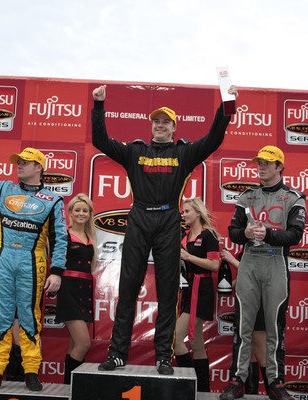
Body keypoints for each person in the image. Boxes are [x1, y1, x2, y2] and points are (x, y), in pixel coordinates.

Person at [92, 84, 239, 376]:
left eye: (165, 122)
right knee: (128, 287)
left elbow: (212, 140)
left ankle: (163, 356)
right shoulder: (135, 151)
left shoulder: (183, 153)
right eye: (156, 121)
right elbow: (101, 141)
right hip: (139, 219)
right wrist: (98, 107)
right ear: (152, 126)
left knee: (169, 292)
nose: (160, 125)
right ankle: (118, 353)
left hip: (169, 221)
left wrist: (226, 105)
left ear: (174, 127)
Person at [0, 143, 68, 392]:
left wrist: (57, 271)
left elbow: (61, 238)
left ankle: (31, 371)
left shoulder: (53, 200)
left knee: (30, 317)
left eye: (25, 162)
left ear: (39, 167)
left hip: (32, 261)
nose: (19, 165)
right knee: (0, 316)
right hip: (3, 259)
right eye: (18, 161)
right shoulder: (5, 189)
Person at [221, 145, 306, 400]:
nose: (261, 167)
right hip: (249, 262)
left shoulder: (294, 197)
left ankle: (276, 382)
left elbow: (296, 236)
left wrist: (269, 234)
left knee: (275, 327)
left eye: (267, 163)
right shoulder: (247, 196)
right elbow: (232, 231)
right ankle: (238, 380)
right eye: (259, 162)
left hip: (275, 262)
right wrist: (244, 233)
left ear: (280, 166)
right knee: (243, 325)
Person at [174, 198, 220, 392]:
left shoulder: (208, 235)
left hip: (202, 289)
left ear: (198, 213)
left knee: (175, 339)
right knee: (196, 343)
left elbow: (215, 265)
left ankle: (189, 384)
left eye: (187, 211)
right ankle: (202, 388)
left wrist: (189, 256)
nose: (183, 215)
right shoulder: (183, 235)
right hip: (189, 289)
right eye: (182, 212)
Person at [55, 193, 97, 384]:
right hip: (69, 291)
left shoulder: (90, 236)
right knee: (83, 343)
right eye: (77, 210)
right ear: (70, 212)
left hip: (85, 291)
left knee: (74, 344)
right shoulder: (63, 234)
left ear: (89, 214)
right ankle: (72, 387)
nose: (81, 213)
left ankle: (69, 389)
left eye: (85, 210)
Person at [220, 249, 268, 395]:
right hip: (246, 302)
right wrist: (230, 284)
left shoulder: (267, 247)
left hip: (260, 303)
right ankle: (250, 393)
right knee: (249, 353)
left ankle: (274, 390)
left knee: (262, 353)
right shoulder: (246, 246)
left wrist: (232, 260)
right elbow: (245, 276)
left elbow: (257, 274)